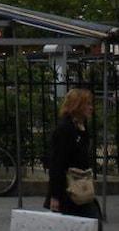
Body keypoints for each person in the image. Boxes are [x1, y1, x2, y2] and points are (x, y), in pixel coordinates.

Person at [47, 88, 101, 224]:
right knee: (91, 221)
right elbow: (57, 164)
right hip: (68, 190)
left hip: (81, 187)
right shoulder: (65, 129)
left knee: (92, 221)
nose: (91, 108)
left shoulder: (81, 127)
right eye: (87, 104)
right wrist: (55, 196)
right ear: (77, 106)